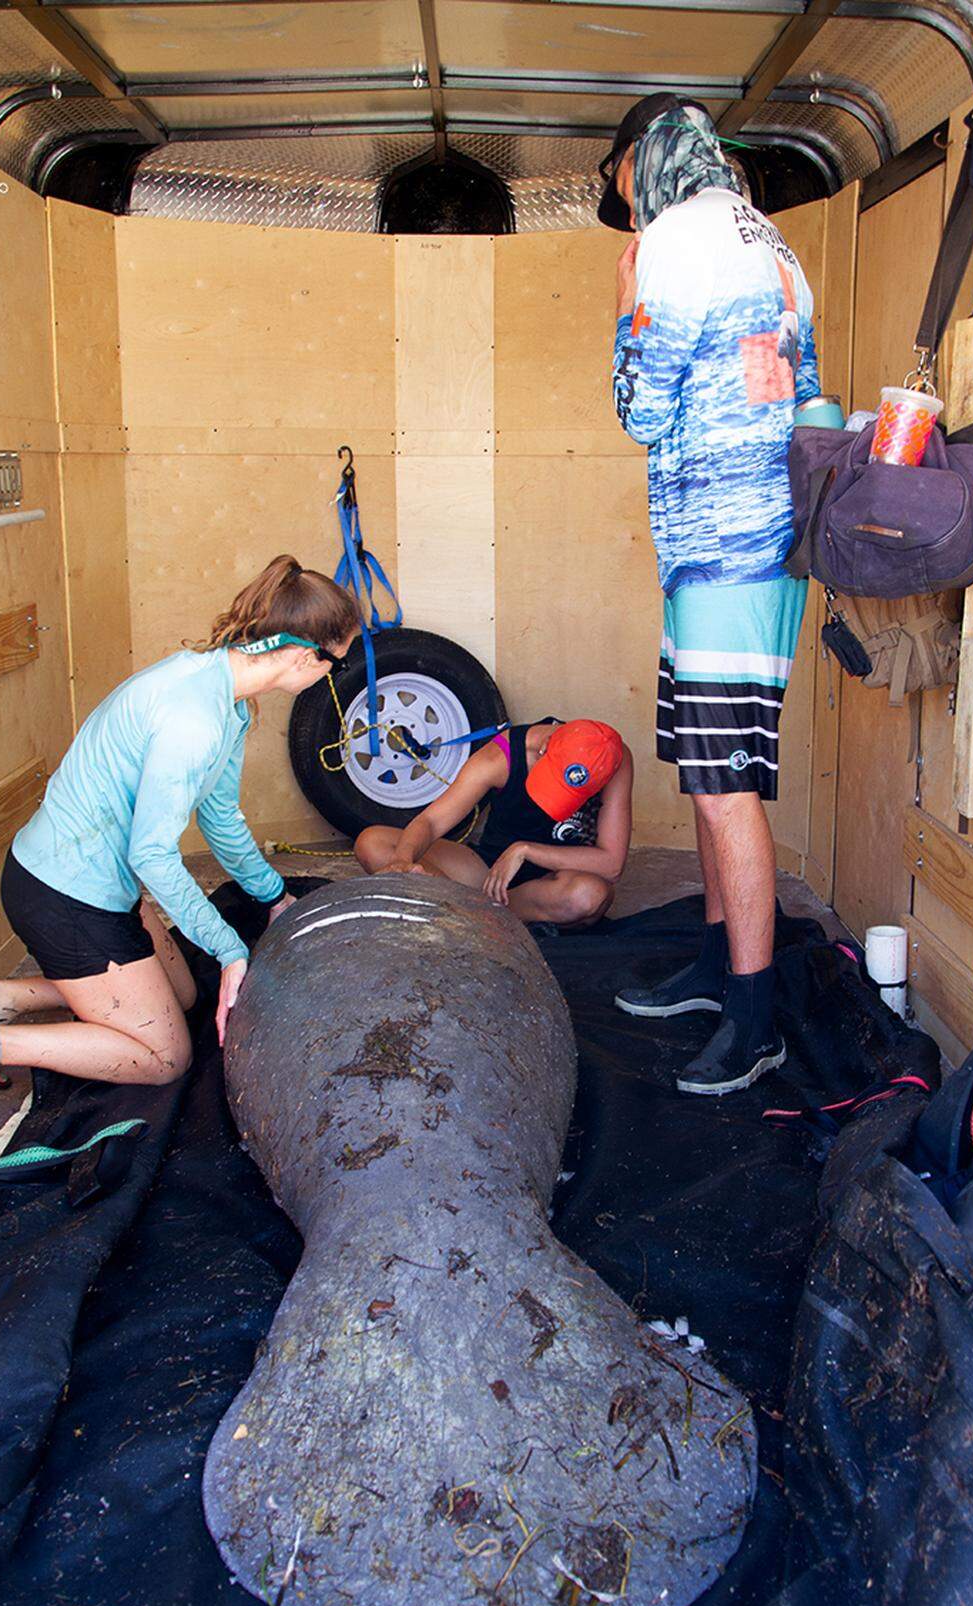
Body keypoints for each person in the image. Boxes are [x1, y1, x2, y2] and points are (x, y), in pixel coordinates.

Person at [0, 556, 361, 1147]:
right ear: (303, 655)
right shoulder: (192, 719)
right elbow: (152, 854)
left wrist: (275, 897)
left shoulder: (228, 699)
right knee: (166, 1056)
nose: (330, 677)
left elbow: (219, 817)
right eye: (334, 664)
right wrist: (228, 949)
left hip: (100, 884)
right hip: (66, 897)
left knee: (185, 995)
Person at [600, 93, 819, 1096]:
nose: (623, 201)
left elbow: (642, 409)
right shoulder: (762, 235)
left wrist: (624, 299)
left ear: (642, 162)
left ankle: (755, 1016)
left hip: (727, 548)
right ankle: (717, 956)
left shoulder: (674, 242)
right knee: (704, 766)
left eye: (618, 182)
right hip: (745, 544)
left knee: (724, 783)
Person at [355, 718, 632, 926]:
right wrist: (404, 860)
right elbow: (431, 821)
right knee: (373, 843)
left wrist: (524, 851)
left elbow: (612, 865)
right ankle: (478, 913)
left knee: (589, 896)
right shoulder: (500, 756)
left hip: (552, 882)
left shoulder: (612, 761)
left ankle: (469, 915)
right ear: (545, 748)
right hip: (485, 873)